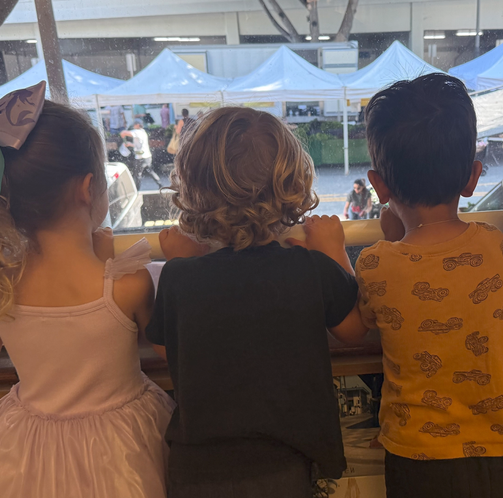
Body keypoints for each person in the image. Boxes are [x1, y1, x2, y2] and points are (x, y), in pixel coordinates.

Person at [0, 82, 174, 497]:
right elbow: (168, 348)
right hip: (125, 447)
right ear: (87, 188)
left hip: (22, 451)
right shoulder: (126, 284)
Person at [146, 107, 362, 497]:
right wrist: (334, 251)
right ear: (292, 186)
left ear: (192, 189)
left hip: (196, 470)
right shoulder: (310, 269)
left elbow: (166, 348)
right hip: (283, 466)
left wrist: (180, 262)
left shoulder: (180, 276)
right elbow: (354, 330)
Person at [355, 73, 503, 498]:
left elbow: (355, 326)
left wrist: (340, 248)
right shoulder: (493, 244)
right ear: (472, 178)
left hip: (418, 455)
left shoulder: (376, 263)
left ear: (378, 185)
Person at [121, 120, 162, 189]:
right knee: (150, 171)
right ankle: (160, 184)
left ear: (138, 125)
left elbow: (125, 133)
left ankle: (137, 189)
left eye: (134, 124)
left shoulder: (137, 131)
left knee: (138, 174)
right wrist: (130, 144)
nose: (133, 126)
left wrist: (123, 132)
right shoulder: (143, 132)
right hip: (147, 156)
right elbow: (139, 145)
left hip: (140, 157)